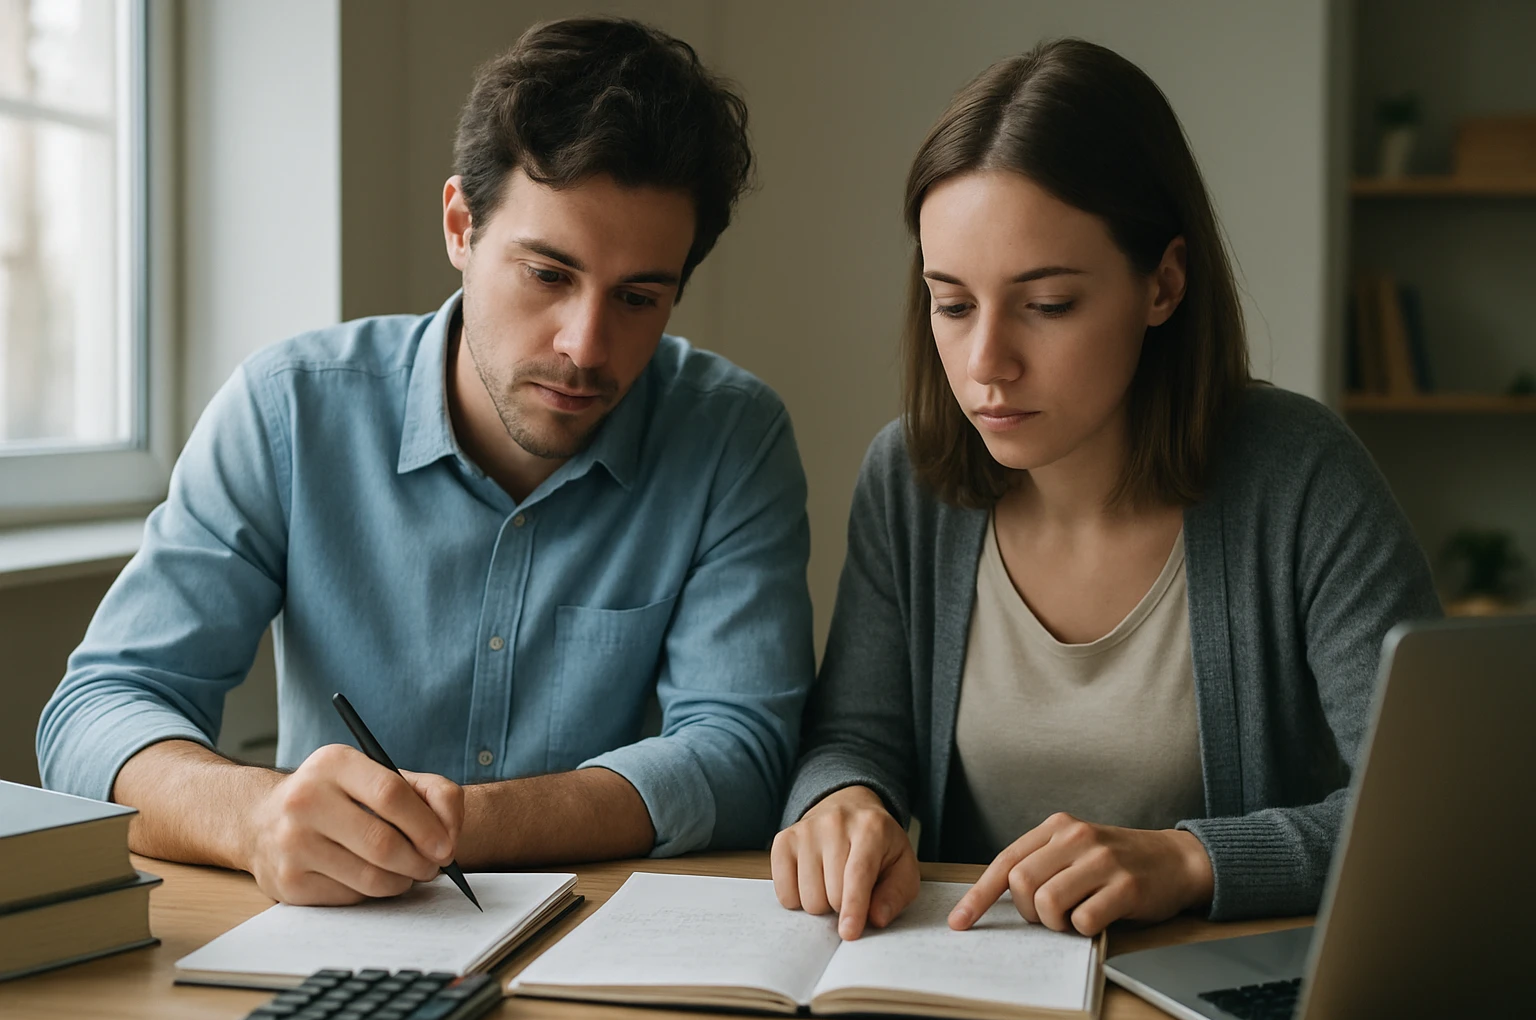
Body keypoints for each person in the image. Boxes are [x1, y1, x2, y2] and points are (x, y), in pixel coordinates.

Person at [37, 17, 815, 906]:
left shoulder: (730, 438)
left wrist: (464, 823)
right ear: (460, 226)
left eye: (639, 297)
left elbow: (742, 754)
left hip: (603, 948)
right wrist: (254, 816)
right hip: (328, 937)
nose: (586, 345)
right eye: (548, 275)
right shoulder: (289, 408)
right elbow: (95, 712)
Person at [770, 38, 1440, 942]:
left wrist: (1190, 859)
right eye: (952, 303)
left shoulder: (1300, 476)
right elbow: (854, 732)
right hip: (980, 978)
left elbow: (1428, 818)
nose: (986, 364)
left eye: (1047, 305)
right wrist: (842, 800)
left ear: (1162, 284)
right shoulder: (911, 477)